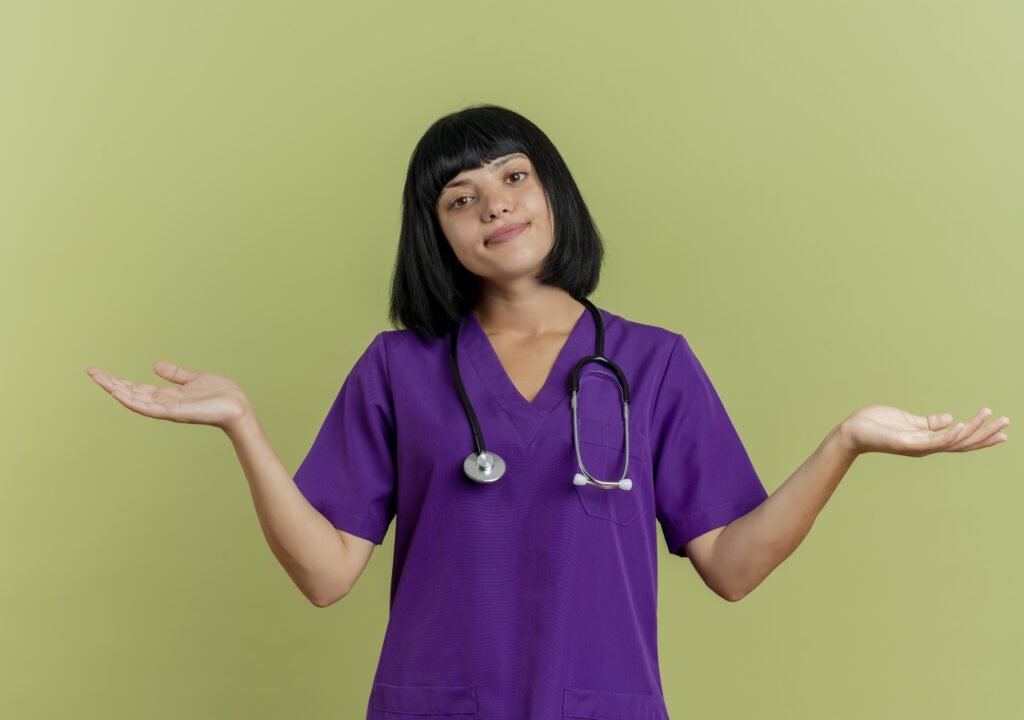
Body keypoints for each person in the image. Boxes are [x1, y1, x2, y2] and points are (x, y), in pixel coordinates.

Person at [86, 104, 1010, 720]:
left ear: (551, 189)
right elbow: (328, 574)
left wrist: (844, 443)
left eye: (512, 178)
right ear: (436, 234)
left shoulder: (652, 363)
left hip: (600, 703)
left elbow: (729, 564)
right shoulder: (400, 369)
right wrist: (243, 426)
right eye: (461, 198)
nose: (494, 206)